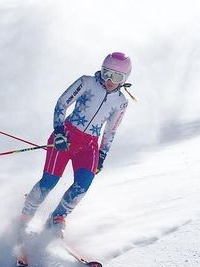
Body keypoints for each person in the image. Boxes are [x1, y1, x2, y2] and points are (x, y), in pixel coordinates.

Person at [18, 52, 132, 238]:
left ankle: (57, 218)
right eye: (106, 73)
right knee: (50, 180)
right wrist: (59, 132)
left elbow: (110, 131)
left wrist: (102, 155)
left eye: (117, 76)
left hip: (89, 146)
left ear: (125, 79)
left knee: (83, 183)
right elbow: (62, 103)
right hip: (67, 137)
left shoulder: (121, 103)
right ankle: (26, 215)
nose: (110, 80)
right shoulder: (87, 82)